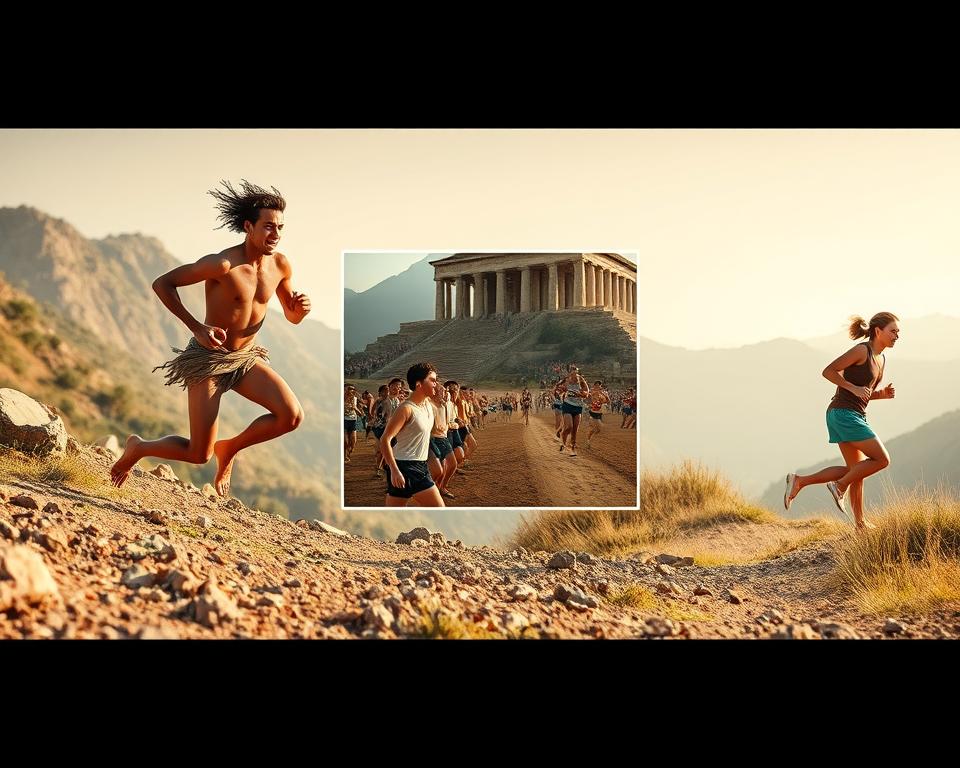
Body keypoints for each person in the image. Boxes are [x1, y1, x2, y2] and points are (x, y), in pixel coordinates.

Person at [110, 179, 309, 496]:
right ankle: (139, 447)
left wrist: (299, 311)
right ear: (248, 227)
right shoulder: (222, 264)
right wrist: (196, 327)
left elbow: (291, 315)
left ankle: (229, 448)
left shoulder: (281, 265)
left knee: (292, 416)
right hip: (207, 360)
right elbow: (163, 284)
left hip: (244, 359)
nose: (276, 234)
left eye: (280, 228)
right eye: (269, 227)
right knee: (198, 454)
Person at [783, 312, 899, 530]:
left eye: (898, 332)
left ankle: (801, 482)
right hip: (843, 414)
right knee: (882, 459)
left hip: (851, 414)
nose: (896, 336)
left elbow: (863, 394)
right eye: (893, 331)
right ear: (878, 331)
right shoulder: (862, 351)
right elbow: (828, 371)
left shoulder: (881, 360)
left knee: (857, 471)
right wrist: (852, 387)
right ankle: (839, 486)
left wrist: (880, 395)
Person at [380, 362, 445, 507]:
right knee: (439, 509)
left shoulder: (427, 404)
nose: (436, 384)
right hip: (404, 467)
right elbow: (385, 439)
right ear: (418, 384)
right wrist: (394, 470)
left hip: (420, 464)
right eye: (432, 380)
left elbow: (440, 394)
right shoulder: (406, 409)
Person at [557, 364, 590, 457]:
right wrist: (562, 390)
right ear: (569, 372)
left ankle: (573, 449)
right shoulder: (566, 380)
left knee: (575, 430)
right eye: (572, 371)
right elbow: (559, 390)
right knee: (569, 427)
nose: (574, 372)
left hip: (578, 406)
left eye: (575, 370)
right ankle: (563, 442)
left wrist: (581, 394)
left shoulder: (581, 380)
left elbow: (587, 392)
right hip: (567, 405)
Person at [584, 381, 610, 449]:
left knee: (597, 430)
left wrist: (605, 396)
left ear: (600, 386)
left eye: (599, 385)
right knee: (596, 427)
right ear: (594, 385)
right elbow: (587, 398)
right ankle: (588, 441)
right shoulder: (591, 391)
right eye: (596, 385)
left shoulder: (604, 393)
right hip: (593, 412)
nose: (597, 387)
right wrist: (590, 401)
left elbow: (608, 401)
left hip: (599, 412)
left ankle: (588, 440)